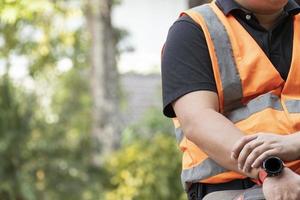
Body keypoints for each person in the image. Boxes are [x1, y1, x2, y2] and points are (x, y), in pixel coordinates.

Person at [161, 0, 300, 199]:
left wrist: (295, 143)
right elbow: (198, 120)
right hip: (234, 189)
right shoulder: (195, 29)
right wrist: (270, 171)